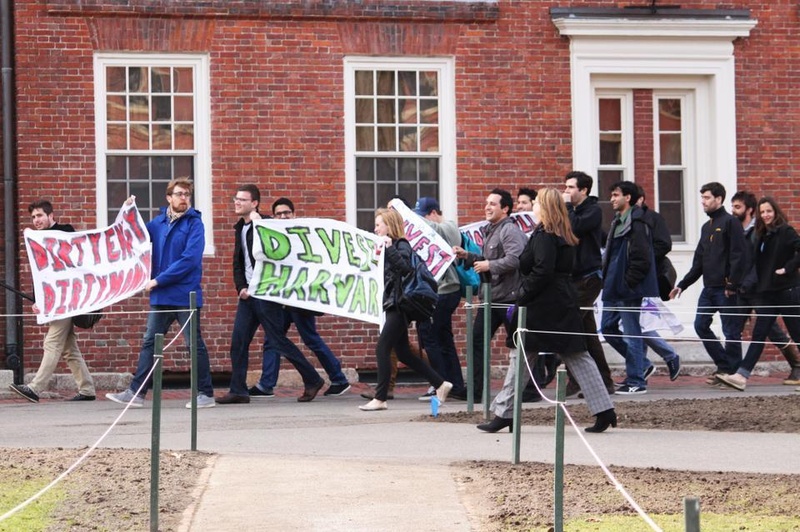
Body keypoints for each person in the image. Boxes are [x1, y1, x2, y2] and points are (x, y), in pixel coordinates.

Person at [477, 188, 616, 433]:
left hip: (542, 306)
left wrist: (522, 294)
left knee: (524, 356)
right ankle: (604, 410)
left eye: (536, 203)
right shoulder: (560, 232)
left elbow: (542, 271)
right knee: (575, 356)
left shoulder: (545, 235)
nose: (532, 207)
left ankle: (505, 413)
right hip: (559, 303)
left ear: (545, 207)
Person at [106, 178, 216, 408]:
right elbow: (133, 238)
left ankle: (205, 394)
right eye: (179, 194)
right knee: (150, 342)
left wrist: (158, 280)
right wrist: (127, 211)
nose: (184, 198)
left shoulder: (195, 224)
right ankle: (136, 393)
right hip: (161, 295)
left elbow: (189, 260)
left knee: (193, 344)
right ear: (168, 197)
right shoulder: (156, 224)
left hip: (185, 294)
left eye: (187, 194)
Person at [214, 188, 329, 404]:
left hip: (266, 294)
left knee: (277, 340)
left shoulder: (267, 225)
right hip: (248, 296)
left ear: (254, 203)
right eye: (236, 199)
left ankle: (312, 379)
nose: (237, 202)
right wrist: (241, 287)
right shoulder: (240, 228)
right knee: (238, 342)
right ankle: (238, 390)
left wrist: (261, 224)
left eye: (242, 199)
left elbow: (280, 251)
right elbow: (238, 263)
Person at [253, 197, 351, 398]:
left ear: (294, 214)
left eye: (286, 213)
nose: (283, 217)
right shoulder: (272, 238)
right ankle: (266, 385)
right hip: (280, 298)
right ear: (273, 217)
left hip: (300, 298)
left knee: (310, 339)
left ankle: (339, 379)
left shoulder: (304, 237)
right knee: (272, 339)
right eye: (279, 214)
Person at [360, 208, 452, 411]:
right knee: (403, 352)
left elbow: (405, 268)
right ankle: (440, 383)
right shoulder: (390, 245)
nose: (375, 229)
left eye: (378, 225)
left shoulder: (401, 244)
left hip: (400, 304)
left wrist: (389, 248)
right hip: (394, 303)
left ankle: (380, 398)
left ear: (389, 226)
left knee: (382, 348)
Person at [8, 200, 97, 403]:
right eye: (33, 217)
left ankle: (35, 388)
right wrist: (38, 300)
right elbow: (41, 274)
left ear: (51, 216)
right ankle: (87, 389)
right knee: (68, 348)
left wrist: (37, 237)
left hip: (67, 299)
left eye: (40, 215)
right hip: (54, 301)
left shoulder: (65, 231)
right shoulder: (37, 240)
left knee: (52, 342)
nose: (36, 220)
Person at [452, 188, 527, 402]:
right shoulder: (490, 230)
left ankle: (529, 389)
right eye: (487, 203)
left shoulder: (509, 230)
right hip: (490, 299)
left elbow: (515, 259)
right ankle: (476, 392)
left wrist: (489, 265)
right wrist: (467, 255)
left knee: (520, 344)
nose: (487, 207)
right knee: (477, 341)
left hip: (509, 299)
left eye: (493, 204)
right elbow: (488, 258)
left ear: (505, 209)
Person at [717, 197, 800, 391]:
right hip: (767, 293)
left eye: (769, 211)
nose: (766, 215)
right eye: (762, 212)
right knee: (759, 334)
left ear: (775, 211)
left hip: (787, 291)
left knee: (797, 333)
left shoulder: (785, 231)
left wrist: (787, 269)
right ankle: (741, 376)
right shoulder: (762, 235)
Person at [670, 182, 747, 382]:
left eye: (707, 198)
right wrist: (682, 285)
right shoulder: (707, 227)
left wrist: (732, 284)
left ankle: (732, 374)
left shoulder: (731, 222)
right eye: (702, 198)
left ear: (718, 199)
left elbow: (739, 255)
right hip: (709, 288)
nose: (703, 202)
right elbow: (699, 262)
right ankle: (724, 366)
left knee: (731, 331)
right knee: (700, 325)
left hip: (726, 288)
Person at [600, 181, 659, 395]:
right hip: (613, 285)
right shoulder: (618, 221)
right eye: (612, 195)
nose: (612, 199)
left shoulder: (638, 223)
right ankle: (643, 364)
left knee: (632, 333)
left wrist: (628, 283)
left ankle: (636, 381)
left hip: (626, 287)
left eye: (616, 195)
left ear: (628, 197)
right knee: (607, 328)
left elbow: (642, 258)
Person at [562, 171, 616, 396]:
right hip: (574, 278)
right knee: (587, 332)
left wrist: (566, 207)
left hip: (589, 278)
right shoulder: (573, 210)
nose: (566, 191)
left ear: (583, 190)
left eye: (571, 187)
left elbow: (574, 227)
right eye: (565, 187)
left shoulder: (593, 210)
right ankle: (604, 381)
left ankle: (576, 379)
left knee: (568, 326)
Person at [413, 197, 466, 400]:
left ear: (434, 213)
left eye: (424, 216)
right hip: (444, 290)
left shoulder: (448, 227)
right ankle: (454, 385)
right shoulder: (438, 228)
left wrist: (402, 213)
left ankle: (441, 383)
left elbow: (431, 228)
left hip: (444, 290)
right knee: (443, 339)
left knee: (431, 337)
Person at [635, 186, 681, 381]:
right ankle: (643, 366)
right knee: (636, 323)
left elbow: (664, 244)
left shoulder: (652, 218)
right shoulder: (626, 220)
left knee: (640, 323)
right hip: (635, 277)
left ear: (640, 199)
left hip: (649, 277)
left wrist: (643, 259)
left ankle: (665, 357)